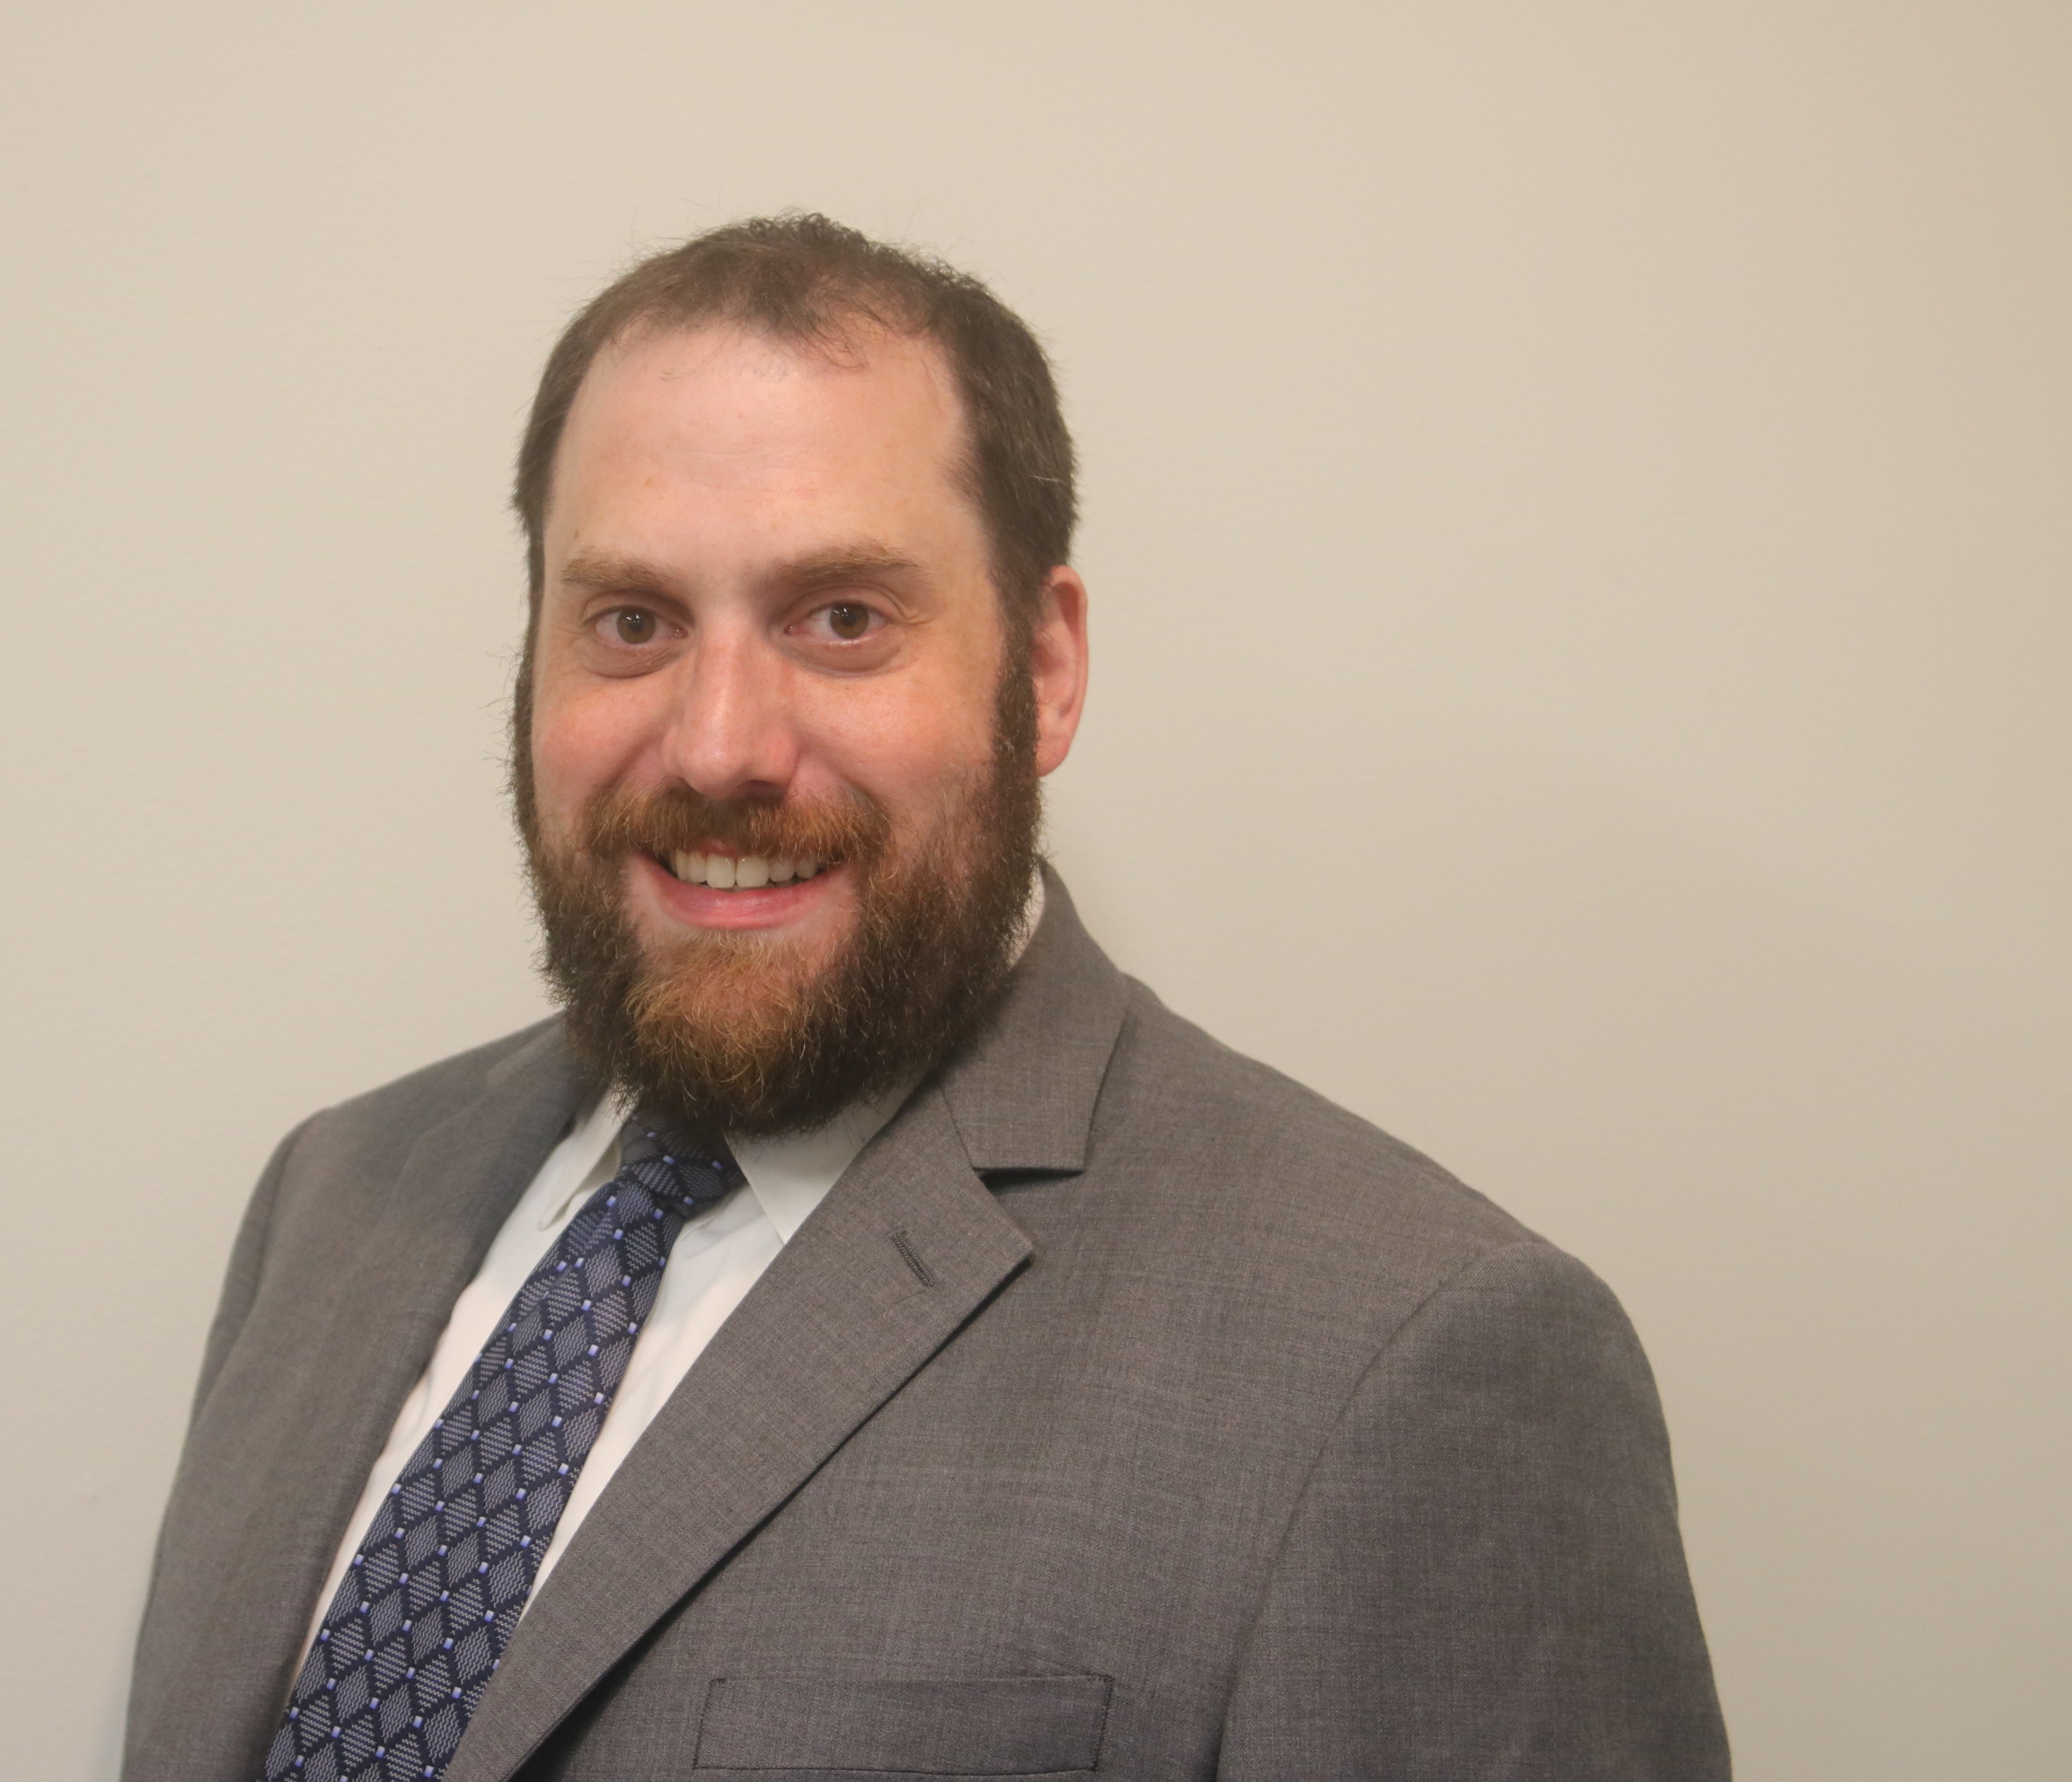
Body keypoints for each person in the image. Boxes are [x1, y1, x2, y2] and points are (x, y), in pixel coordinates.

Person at [122, 214, 1728, 1782]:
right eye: (632, 622)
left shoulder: (1410, 1355)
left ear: (1045, 669)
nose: (719, 745)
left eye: (843, 620)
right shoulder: (332, 1205)